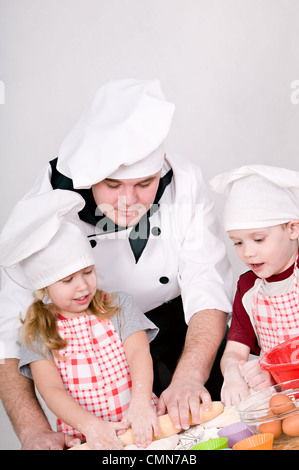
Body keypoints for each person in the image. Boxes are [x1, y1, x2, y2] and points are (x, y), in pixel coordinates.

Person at [0, 79, 233, 449]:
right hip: (91, 363)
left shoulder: (184, 181)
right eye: (112, 185)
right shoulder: (41, 207)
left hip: (178, 328)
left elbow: (207, 285)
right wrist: (33, 429)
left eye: (145, 183)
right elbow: (9, 335)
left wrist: (190, 375)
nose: (130, 201)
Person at [0, 189, 159, 449]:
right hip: (90, 439)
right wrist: (92, 427)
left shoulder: (120, 305)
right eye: (67, 280)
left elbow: (139, 354)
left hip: (143, 423)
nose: (83, 286)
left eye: (87, 272)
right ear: (44, 288)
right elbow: (52, 390)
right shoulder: (38, 332)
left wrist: (141, 404)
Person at [210, 164, 299, 406]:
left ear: (293, 228)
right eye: (237, 242)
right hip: (283, 401)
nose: (247, 253)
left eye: (258, 239)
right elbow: (234, 353)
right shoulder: (248, 287)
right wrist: (232, 374)